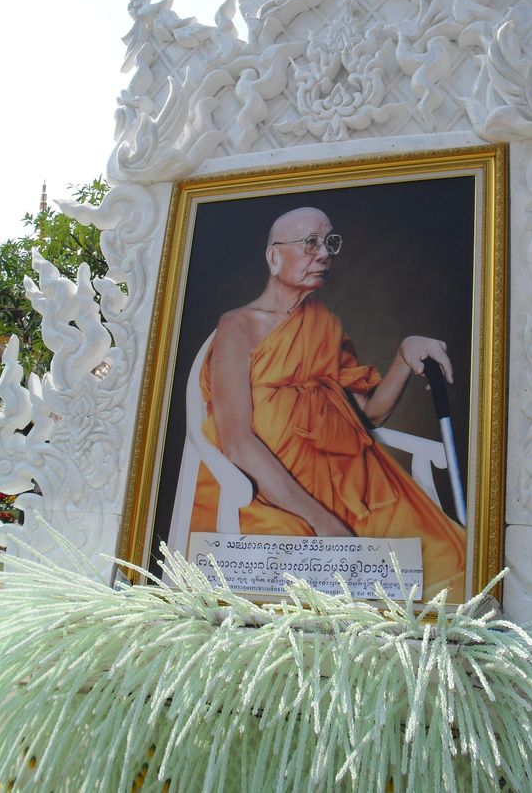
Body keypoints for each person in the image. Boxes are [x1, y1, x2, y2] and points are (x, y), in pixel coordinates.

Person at [190, 207, 466, 598]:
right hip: (271, 497)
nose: (324, 254)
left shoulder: (325, 325)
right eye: (310, 244)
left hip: (354, 483)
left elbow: (368, 414)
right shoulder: (238, 326)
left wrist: (404, 356)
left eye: (329, 243)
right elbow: (236, 440)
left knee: (442, 565)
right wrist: (322, 520)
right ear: (274, 256)